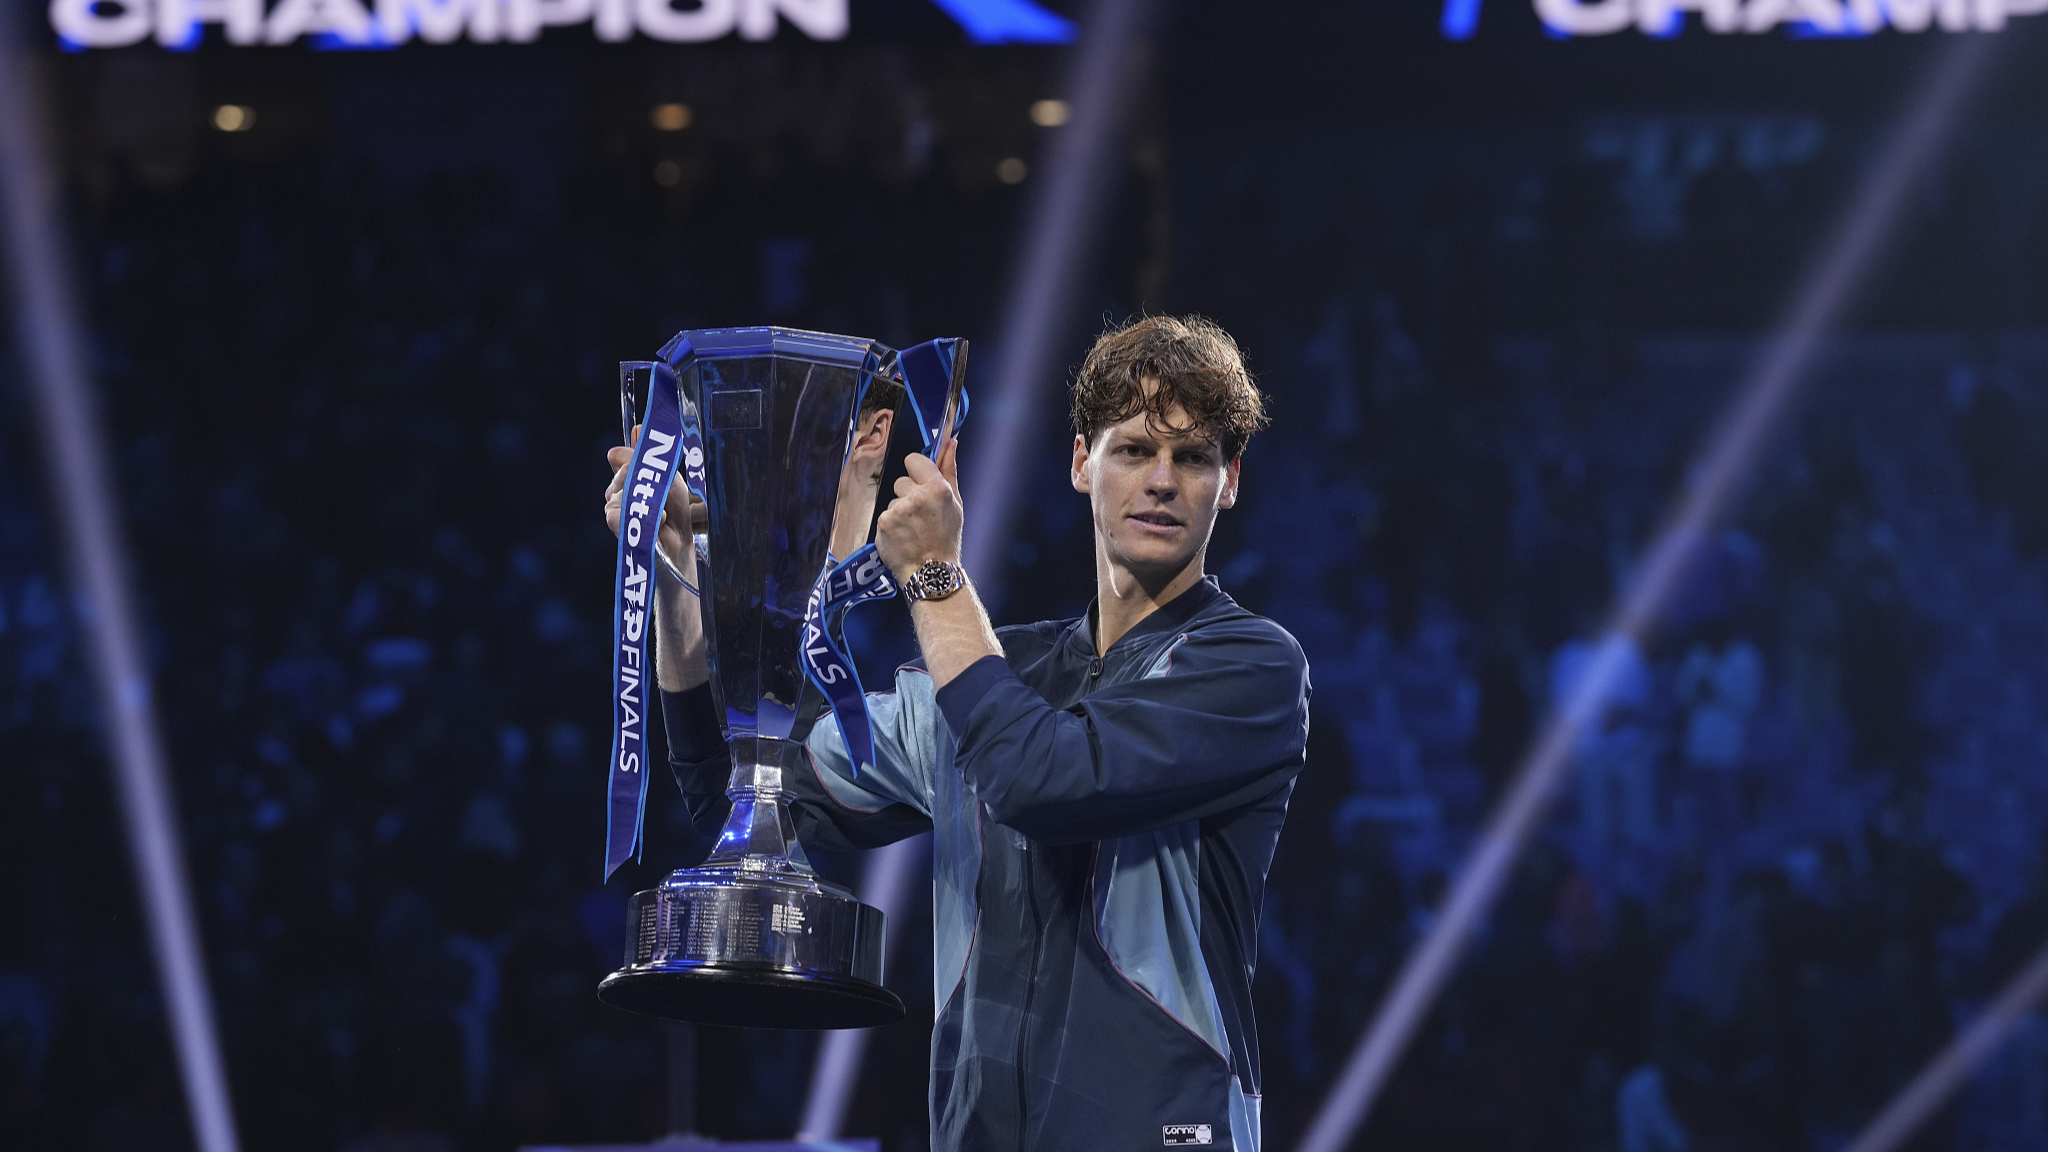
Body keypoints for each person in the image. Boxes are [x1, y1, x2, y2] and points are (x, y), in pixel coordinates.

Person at [605, 315, 1310, 1151]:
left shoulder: (1250, 666)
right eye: (1133, 450)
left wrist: (935, 578)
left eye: (1191, 458)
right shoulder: (997, 668)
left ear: (1228, 481)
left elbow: (1044, 780)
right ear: (1082, 462)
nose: (1161, 479)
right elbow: (753, 792)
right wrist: (680, 578)